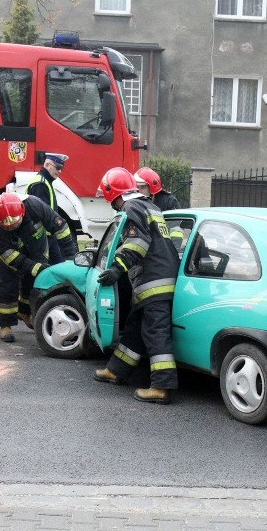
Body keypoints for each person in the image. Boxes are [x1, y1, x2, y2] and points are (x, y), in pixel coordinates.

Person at [93, 167, 180, 404]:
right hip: (159, 276)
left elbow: (137, 243)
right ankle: (117, 370)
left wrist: (116, 269)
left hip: (154, 280)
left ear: (113, 193)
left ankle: (161, 387)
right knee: (135, 327)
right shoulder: (150, 205)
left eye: (108, 197)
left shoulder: (131, 208)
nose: (110, 203)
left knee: (155, 332)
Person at [0, 192, 78, 343]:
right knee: (8, 285)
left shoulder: (35, 205)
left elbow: (60, 227)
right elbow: (6, 251)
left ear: (22, 210)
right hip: (11, 255)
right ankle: (6, 325)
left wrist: (70, 256)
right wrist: (29, 265)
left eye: (15, 222)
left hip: (36, 248)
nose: (12, 225)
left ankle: (24, 313)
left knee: (32, 283)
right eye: (8, 225)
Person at [25, 153, 70, 264]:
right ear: (47, 164)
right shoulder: (40, 184)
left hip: (47, 235)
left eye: (62, 168)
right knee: (46, 267)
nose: (60, 171)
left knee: (55, 266)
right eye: (58, 167)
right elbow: (40, 213)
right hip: (41, 236)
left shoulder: (44, 182)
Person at [134, 166, 184, 249]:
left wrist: (173, 252)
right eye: (137, 187)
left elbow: (176, 231)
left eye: (142, 187)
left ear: (152, 189)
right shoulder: (135, 205)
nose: (139, 191)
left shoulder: (169, 202)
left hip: (167, 249)